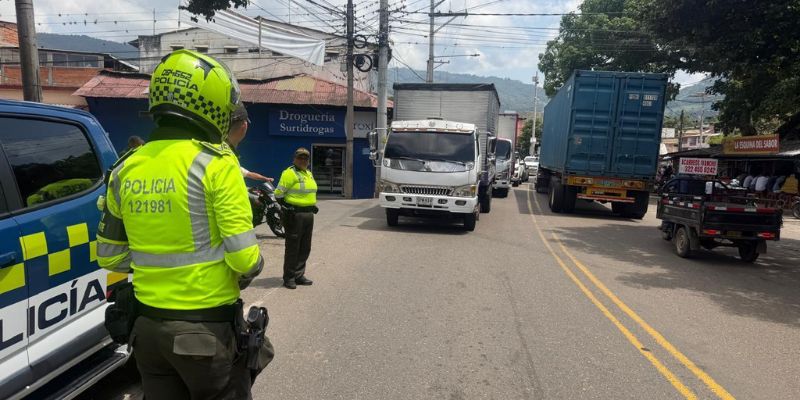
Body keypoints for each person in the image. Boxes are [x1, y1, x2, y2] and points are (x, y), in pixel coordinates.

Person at [96, 49, 271, 400]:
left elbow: (110, 256)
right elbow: (244, 260)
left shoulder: (125, 167)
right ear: (213, 102)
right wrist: (255, 264)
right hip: (204, 332)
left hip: (146, 332)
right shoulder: (216, 164)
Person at [274, 147, 318, 289]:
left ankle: (299, 275)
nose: (303, 160)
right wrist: (287, 208)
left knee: (305, 247)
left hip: (308, 215)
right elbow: (278, 194)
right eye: (300, 158)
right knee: (293, 247)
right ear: (294, 159)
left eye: (305, 158)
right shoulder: (289, 173)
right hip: (294, 215)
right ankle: (289, 277)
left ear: (308, 161)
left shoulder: (308, 174)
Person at [226, 103, 273, 183]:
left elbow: (249, 174)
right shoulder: (228, 158)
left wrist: (265, 179)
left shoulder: (218, 152)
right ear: (244, 126)